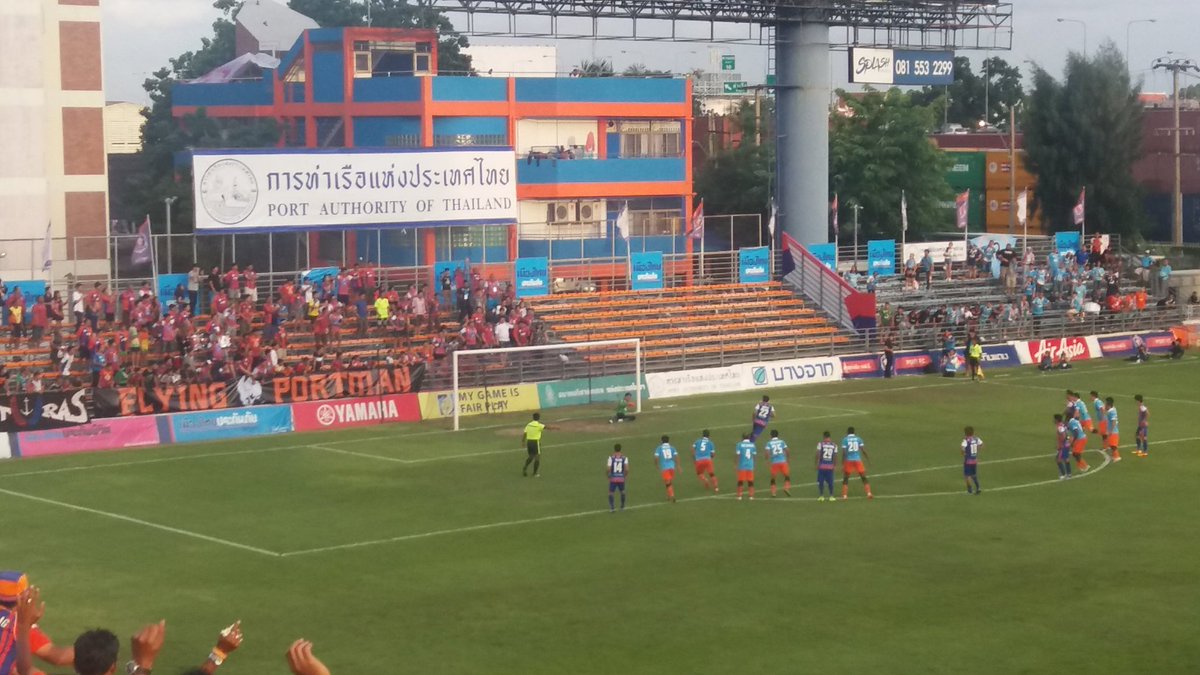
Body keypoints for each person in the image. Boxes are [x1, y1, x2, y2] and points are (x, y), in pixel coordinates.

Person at [840, 426, 872, 500]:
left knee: (846, 477)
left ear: (847, 432)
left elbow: (844, 452)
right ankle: (869, 493)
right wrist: (868, 459)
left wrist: (843, 463)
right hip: (857, 460)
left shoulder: (845, 439)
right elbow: (863, 450)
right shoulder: (858, 439)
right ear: (854, 432)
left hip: (849, 460)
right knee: (863, 476)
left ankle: (844, 495)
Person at [653, 435, 679, 503]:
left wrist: (656, 465)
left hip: (665, 468)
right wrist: (678, 466)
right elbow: (676, 456)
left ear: (662, 441)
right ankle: (668, 496)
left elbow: (656, 457)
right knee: (669, 482)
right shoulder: (672, 448)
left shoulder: (659, 448)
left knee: (667, 483)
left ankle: (672, 496)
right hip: (672, 467)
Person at [765, 429, 791, 497]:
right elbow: (787, 450)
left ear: (771, 435)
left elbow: (767, 452)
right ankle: (786, 488)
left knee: (773, 478)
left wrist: (767, 460)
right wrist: (788, 458)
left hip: (774, 463)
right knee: (787, 476)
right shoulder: (782, 442)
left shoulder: (769, 443)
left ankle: (773, 493)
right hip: (783, 461)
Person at [815, 431, 839, 501]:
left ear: (824, 436)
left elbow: (818, 454)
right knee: (830, 481)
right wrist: (835, 465)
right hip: (830, 466)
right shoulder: (834, 445)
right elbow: (835, 456)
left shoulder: (821, 444)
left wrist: (817, 463)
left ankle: (821, 496)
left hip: (822, 466)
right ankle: (831, 496)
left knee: (821, 481)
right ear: (829, 437)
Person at [606, 444, 629, 512]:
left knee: (611, 493)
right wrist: (624, 476)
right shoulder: (624, 458)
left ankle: (612, 508)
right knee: (622, 492)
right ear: (620, 449)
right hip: (621, 478)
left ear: (614, 449)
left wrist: (608, 475)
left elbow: (608, 469)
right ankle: (622, 507)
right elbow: (627, 469)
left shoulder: (611, 458)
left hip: (613, 478)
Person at [521, 412, 545, 477]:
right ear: (539, 418)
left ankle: (525, 466)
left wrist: (523, 442)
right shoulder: (539, 425)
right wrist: (556, 428)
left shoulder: (528, 424)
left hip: (529, 442)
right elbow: (547, 427)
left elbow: (525, 433)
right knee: (537, 457)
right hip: (535, 442)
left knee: (531, 456)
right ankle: (535, 473)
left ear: (533, 417)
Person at [734, 434, 757, 501]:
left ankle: (739, 496)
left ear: (742, 438)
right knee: (750, 481)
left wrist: (736, 464)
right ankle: (751, 496)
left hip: (742, 465)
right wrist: (754, 464)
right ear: (749, 438)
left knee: (740, 481)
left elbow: (738, 455)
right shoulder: (752, 445)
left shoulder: (739, 444)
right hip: (750, 465)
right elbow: (754, 455)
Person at [961, 426, 983, 494]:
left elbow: (963, 448)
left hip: (968, 461)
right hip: (974, 460)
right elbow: (981, 444)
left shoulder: (965, 440)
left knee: (967, 476)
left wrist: (963, 453)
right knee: (973, 475)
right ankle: (978, 487)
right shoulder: (976, 439)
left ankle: (969, 490)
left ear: (965, 433)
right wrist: (976, 449)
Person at [1054, 414, 1072, 480]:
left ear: (1056, 420)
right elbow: (1067, 434)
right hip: (1066, 444)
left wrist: (1061, 444)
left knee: (1058, 459)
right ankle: (1069, 474)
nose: (1053, 420)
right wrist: (1068, 441)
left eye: (1054, 419)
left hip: (1063, 445)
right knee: (1066, 458)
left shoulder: (1060, 427)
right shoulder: (1063, 425)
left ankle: (1063, 474)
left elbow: (1063, 435)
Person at [1103, 397, 1122, 462]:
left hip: (1113, 431)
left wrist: (1111, 431)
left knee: (1113, 445)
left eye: (1105, 405)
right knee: (1111, 444)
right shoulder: (1112, 409)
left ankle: (1117, 457)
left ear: (1108, 405)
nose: (1104, 406)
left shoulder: (1112, 412)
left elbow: (1114, 421)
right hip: (1112, 430)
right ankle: (1114, 456)